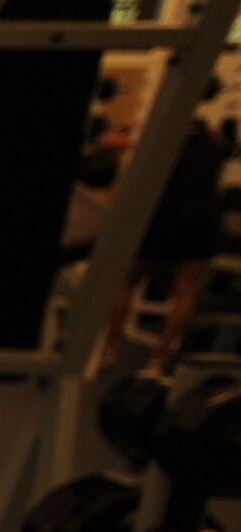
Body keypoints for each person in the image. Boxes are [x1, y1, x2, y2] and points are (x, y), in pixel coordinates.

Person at [96, 115, 230, 372]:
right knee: (186, 288)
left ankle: (110, 349)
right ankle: (158, 361)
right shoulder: (214, 138)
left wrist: (124, 129)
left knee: (127, 280)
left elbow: (105, 142)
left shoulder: (158, 131)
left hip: (158, 215)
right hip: (201, 220)